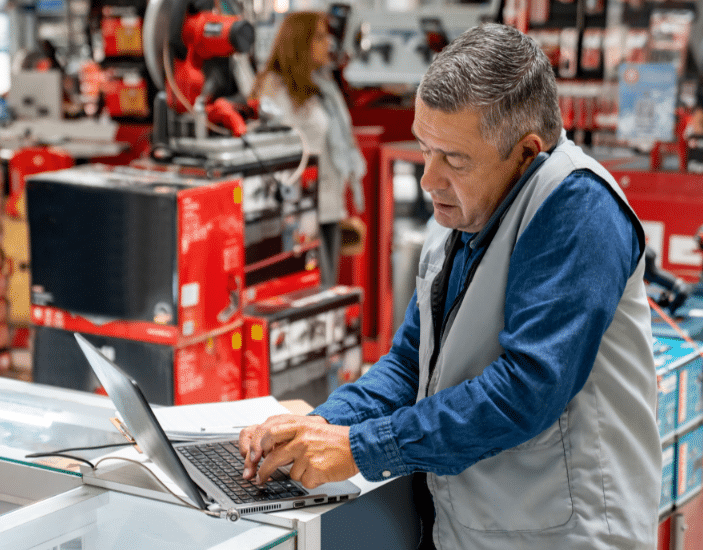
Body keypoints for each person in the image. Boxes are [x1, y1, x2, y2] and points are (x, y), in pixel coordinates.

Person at [240, 22, 661, 550]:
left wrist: (361, 447)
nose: (428, 179)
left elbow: (525, 390)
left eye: (454, 160)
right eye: (425, 150)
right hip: (474, 531)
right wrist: (314, 428)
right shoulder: (464, 215)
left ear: (527, 153)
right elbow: (409, 365)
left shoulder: (579, 209)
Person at [250, 11, 366, 287]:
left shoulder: (321, 87)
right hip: (297, 212)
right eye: (320, 37)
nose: (328, 43)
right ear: (299, 42)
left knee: (326, 291)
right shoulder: (275, 91)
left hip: (328, 206)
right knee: (309, 291)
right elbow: (275, 152)